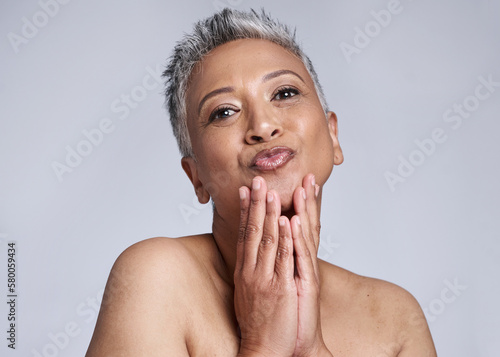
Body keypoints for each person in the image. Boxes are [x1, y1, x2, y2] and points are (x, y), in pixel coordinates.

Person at [86, 8, 436, 356]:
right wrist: (263, 346)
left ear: (333, 136)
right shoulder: (155, 278)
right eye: (223, 112)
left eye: (284, 93)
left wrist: (311, 349)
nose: (263, 126)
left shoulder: (394, 318)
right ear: (196, 178)